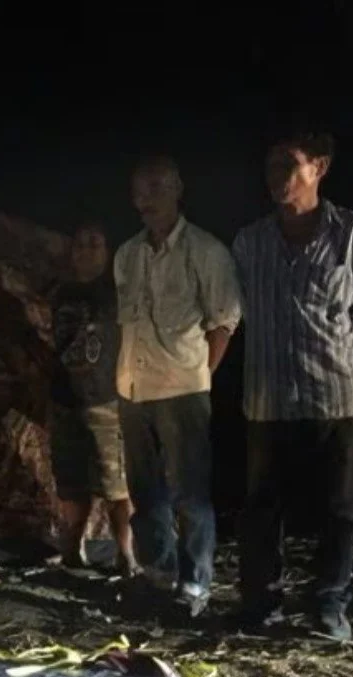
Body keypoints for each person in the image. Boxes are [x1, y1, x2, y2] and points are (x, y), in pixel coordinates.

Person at [231, 130, 353, 641]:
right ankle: (261, 604)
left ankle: (329, 603)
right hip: (269, 396)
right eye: (271, 164)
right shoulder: (249, 242)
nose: (277, 175)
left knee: (336, 508)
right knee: (261, 505)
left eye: (289, 163)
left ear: (319, 166)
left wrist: (338, 360)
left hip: (336, 397)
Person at [113, 155, 242, 618]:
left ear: (177, 190)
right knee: (146, 493)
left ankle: (195, 583)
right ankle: (157, 574)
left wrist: (198, 376)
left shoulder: (206, 251)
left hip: (183, 389)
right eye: (140, 189)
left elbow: (223, 322)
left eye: (156, 187)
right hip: (133, 388)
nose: (146, 198)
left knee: (190, 494)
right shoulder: (126, 254)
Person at [48, 221, 136, 575]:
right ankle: (73, 549)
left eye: (94, 244)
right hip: (65, 399)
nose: (85, 250)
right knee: (71, 481)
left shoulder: (117, 293)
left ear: (107, 251)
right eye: (80, 244)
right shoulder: (61, 293)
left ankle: (126, 555)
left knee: (115, 484)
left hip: (105, 400)